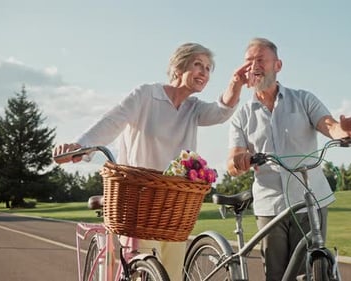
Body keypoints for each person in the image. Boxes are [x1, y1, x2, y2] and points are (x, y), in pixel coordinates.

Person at [52, 42, 242, 281]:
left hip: (173, 204)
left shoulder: (194, 108)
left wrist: (236, 83)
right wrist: (80, 147)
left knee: (172, 273)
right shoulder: (146, 95)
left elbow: (221, 111)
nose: (204, 72)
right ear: (177, 67)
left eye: (208, 68)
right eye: (197, 64)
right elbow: (112, 121)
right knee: (137, 268)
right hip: (137, 200)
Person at [226, 37, 351, 281]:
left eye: (260, 60)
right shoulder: (242, 115)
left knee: (309, 272)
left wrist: (345, 131)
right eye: (248, 61)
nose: (254, 66)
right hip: (270, 206)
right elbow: (233, 160)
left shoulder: (303, 99)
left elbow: (329, 125)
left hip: (310, 198)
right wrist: (241, 160)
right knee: (276, 275)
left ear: (277, 65)